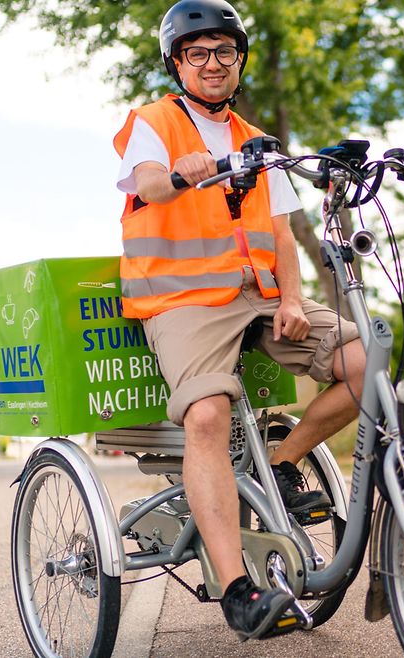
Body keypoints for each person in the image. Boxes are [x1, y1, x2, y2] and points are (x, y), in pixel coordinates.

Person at [112, 0, 365, 640]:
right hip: (184, 304)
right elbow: (144, 181)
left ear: (239, 59)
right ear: (177, 62)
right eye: (198, 52)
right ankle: (236, 587)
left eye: (225, 51)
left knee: (367, 363)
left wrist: (288, 298)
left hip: (257, 296)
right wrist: (179, 173)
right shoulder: (154, 122)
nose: (213, 63)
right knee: (207, 414)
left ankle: (282, 459)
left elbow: (281, 234)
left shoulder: (258, 143)